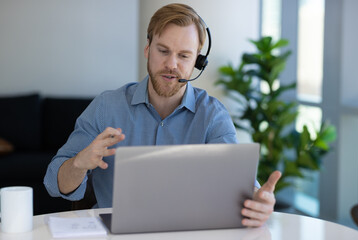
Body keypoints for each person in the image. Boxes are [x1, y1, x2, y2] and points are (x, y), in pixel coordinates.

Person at [44, 3, 281, 227]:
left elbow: (239, 186)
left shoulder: (213, 116)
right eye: (163, 51)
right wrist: (79, 163)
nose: (171, 64)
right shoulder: (107, 106)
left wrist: (258, 202)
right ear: (148, 49)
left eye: (184, 56)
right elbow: (54, 183)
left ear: (198, 62)